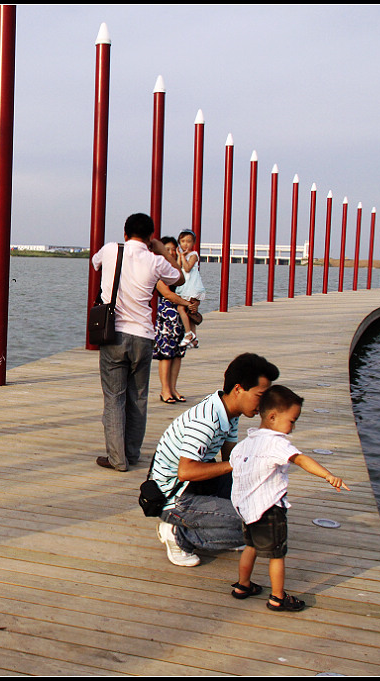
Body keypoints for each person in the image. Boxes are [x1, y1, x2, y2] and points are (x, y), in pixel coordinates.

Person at [149, 352, 279, 566]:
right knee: (257, 528)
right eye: (260, 396)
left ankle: (223, 526)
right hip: (173, 497)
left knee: (265, 508)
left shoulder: (229, 410)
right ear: (238, 389)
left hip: (196, 485)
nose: (264, 404)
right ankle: (179, 535)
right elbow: (186, 471)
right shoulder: (206, 420)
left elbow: (231, 457)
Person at [230, 385, 350, 611]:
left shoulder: (244, 444)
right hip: (269, 509)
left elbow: (236, 469)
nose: (293, 427)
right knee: (277, 555)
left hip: (247, 508)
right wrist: (328, 475)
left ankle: (242, 586)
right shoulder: (277, 442)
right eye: (292, 420)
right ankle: (277, 597)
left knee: (250, 547)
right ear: (273, 417)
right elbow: (301, 460)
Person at [91, 213, 183, 471]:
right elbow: (179, 278)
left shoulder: (111, 250)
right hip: (144, 336)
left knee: (114, 397)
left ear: (125, 234)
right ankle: (131, 453)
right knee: (138, 397)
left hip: (114, 335)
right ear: (151, 237)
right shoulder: (155, 261)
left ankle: (116, 458)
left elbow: (94, 263)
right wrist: (163, 250)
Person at [152, 236, 198, 404]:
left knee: (178, 354)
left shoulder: (179, 269)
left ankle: (173, 388)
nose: (171, 251)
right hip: (166, 315)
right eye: (167, 248)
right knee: (166, 354)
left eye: (173, 248)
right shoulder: (157, 269)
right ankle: (165, 390)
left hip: (180, 315)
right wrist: (186, 303)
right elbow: (167, 293)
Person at [174, 230, 206, 348]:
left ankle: (188, 334)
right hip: (185, 287)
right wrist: (179, 256)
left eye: (188, 241)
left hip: (192, 288)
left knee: (181, 308)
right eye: (182, 241)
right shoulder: (183, 255)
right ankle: (194, 339)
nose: (185, 244)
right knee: (190, 313)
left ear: (193, 243)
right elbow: (178, 268)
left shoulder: (193, 255)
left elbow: (187, 268)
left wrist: (182, 256)